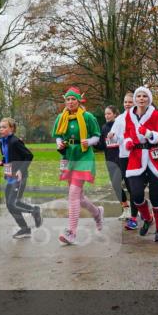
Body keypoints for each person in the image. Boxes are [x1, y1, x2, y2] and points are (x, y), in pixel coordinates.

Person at [51, 87, 103, 245]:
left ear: (79, 100)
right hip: (69, 156)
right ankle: (97, 213)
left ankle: (71, 232)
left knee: (73, 193)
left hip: (85, 155)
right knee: (79, 197)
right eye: (68, 99)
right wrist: (59, 143)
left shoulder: (88, 117)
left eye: (73, 99)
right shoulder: (61, 117)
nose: (70, 102)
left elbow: (97, 136)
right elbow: (58, 135)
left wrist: (90, 141)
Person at [122, 86, 158, 242]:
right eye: (139, 96)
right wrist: (128, 141)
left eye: (144, 96)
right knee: (136, 194)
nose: (141, 99)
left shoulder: (155, 115)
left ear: (149, 99)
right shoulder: (130, 115)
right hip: (136, 157)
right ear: (135, 99)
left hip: (154, 157)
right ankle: (148, 219)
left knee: (155, 196)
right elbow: (127, 132)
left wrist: (149, 134)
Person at [0, 117, 41, 239]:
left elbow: (29, 156)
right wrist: (2, 162)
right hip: (10, 177)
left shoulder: (15, 141)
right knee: (11, 205)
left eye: (4, 127)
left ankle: (33, 212)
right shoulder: (2, 142)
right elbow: (7, 157)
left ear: (12, 129)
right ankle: (25, 228)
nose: (1, 129)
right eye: (0, 127)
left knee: (13, 203)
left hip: (19, 177)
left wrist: (21, 170)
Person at [108, 92, 139, 230]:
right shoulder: (119, 119)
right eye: (125, 102)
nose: (127, 104)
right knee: (129, 185)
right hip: (124, 156)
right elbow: (114, 138)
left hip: (138, 155)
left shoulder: (139, 117)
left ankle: (138, 212)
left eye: (130, 102)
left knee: (135, 187)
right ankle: (134, 214)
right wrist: (111, 136)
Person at [98, 105, 130, 222]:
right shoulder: (104, 128)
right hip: (110, 160)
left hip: (122, 159)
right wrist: (92, 142)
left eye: (109, 114)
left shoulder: (120, 125)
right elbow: (102, 145)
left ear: (115, 114)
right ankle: (126, 208)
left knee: (128, 184)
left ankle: (138, 207)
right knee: (116, 185)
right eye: (105, 114)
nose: (106, 116)